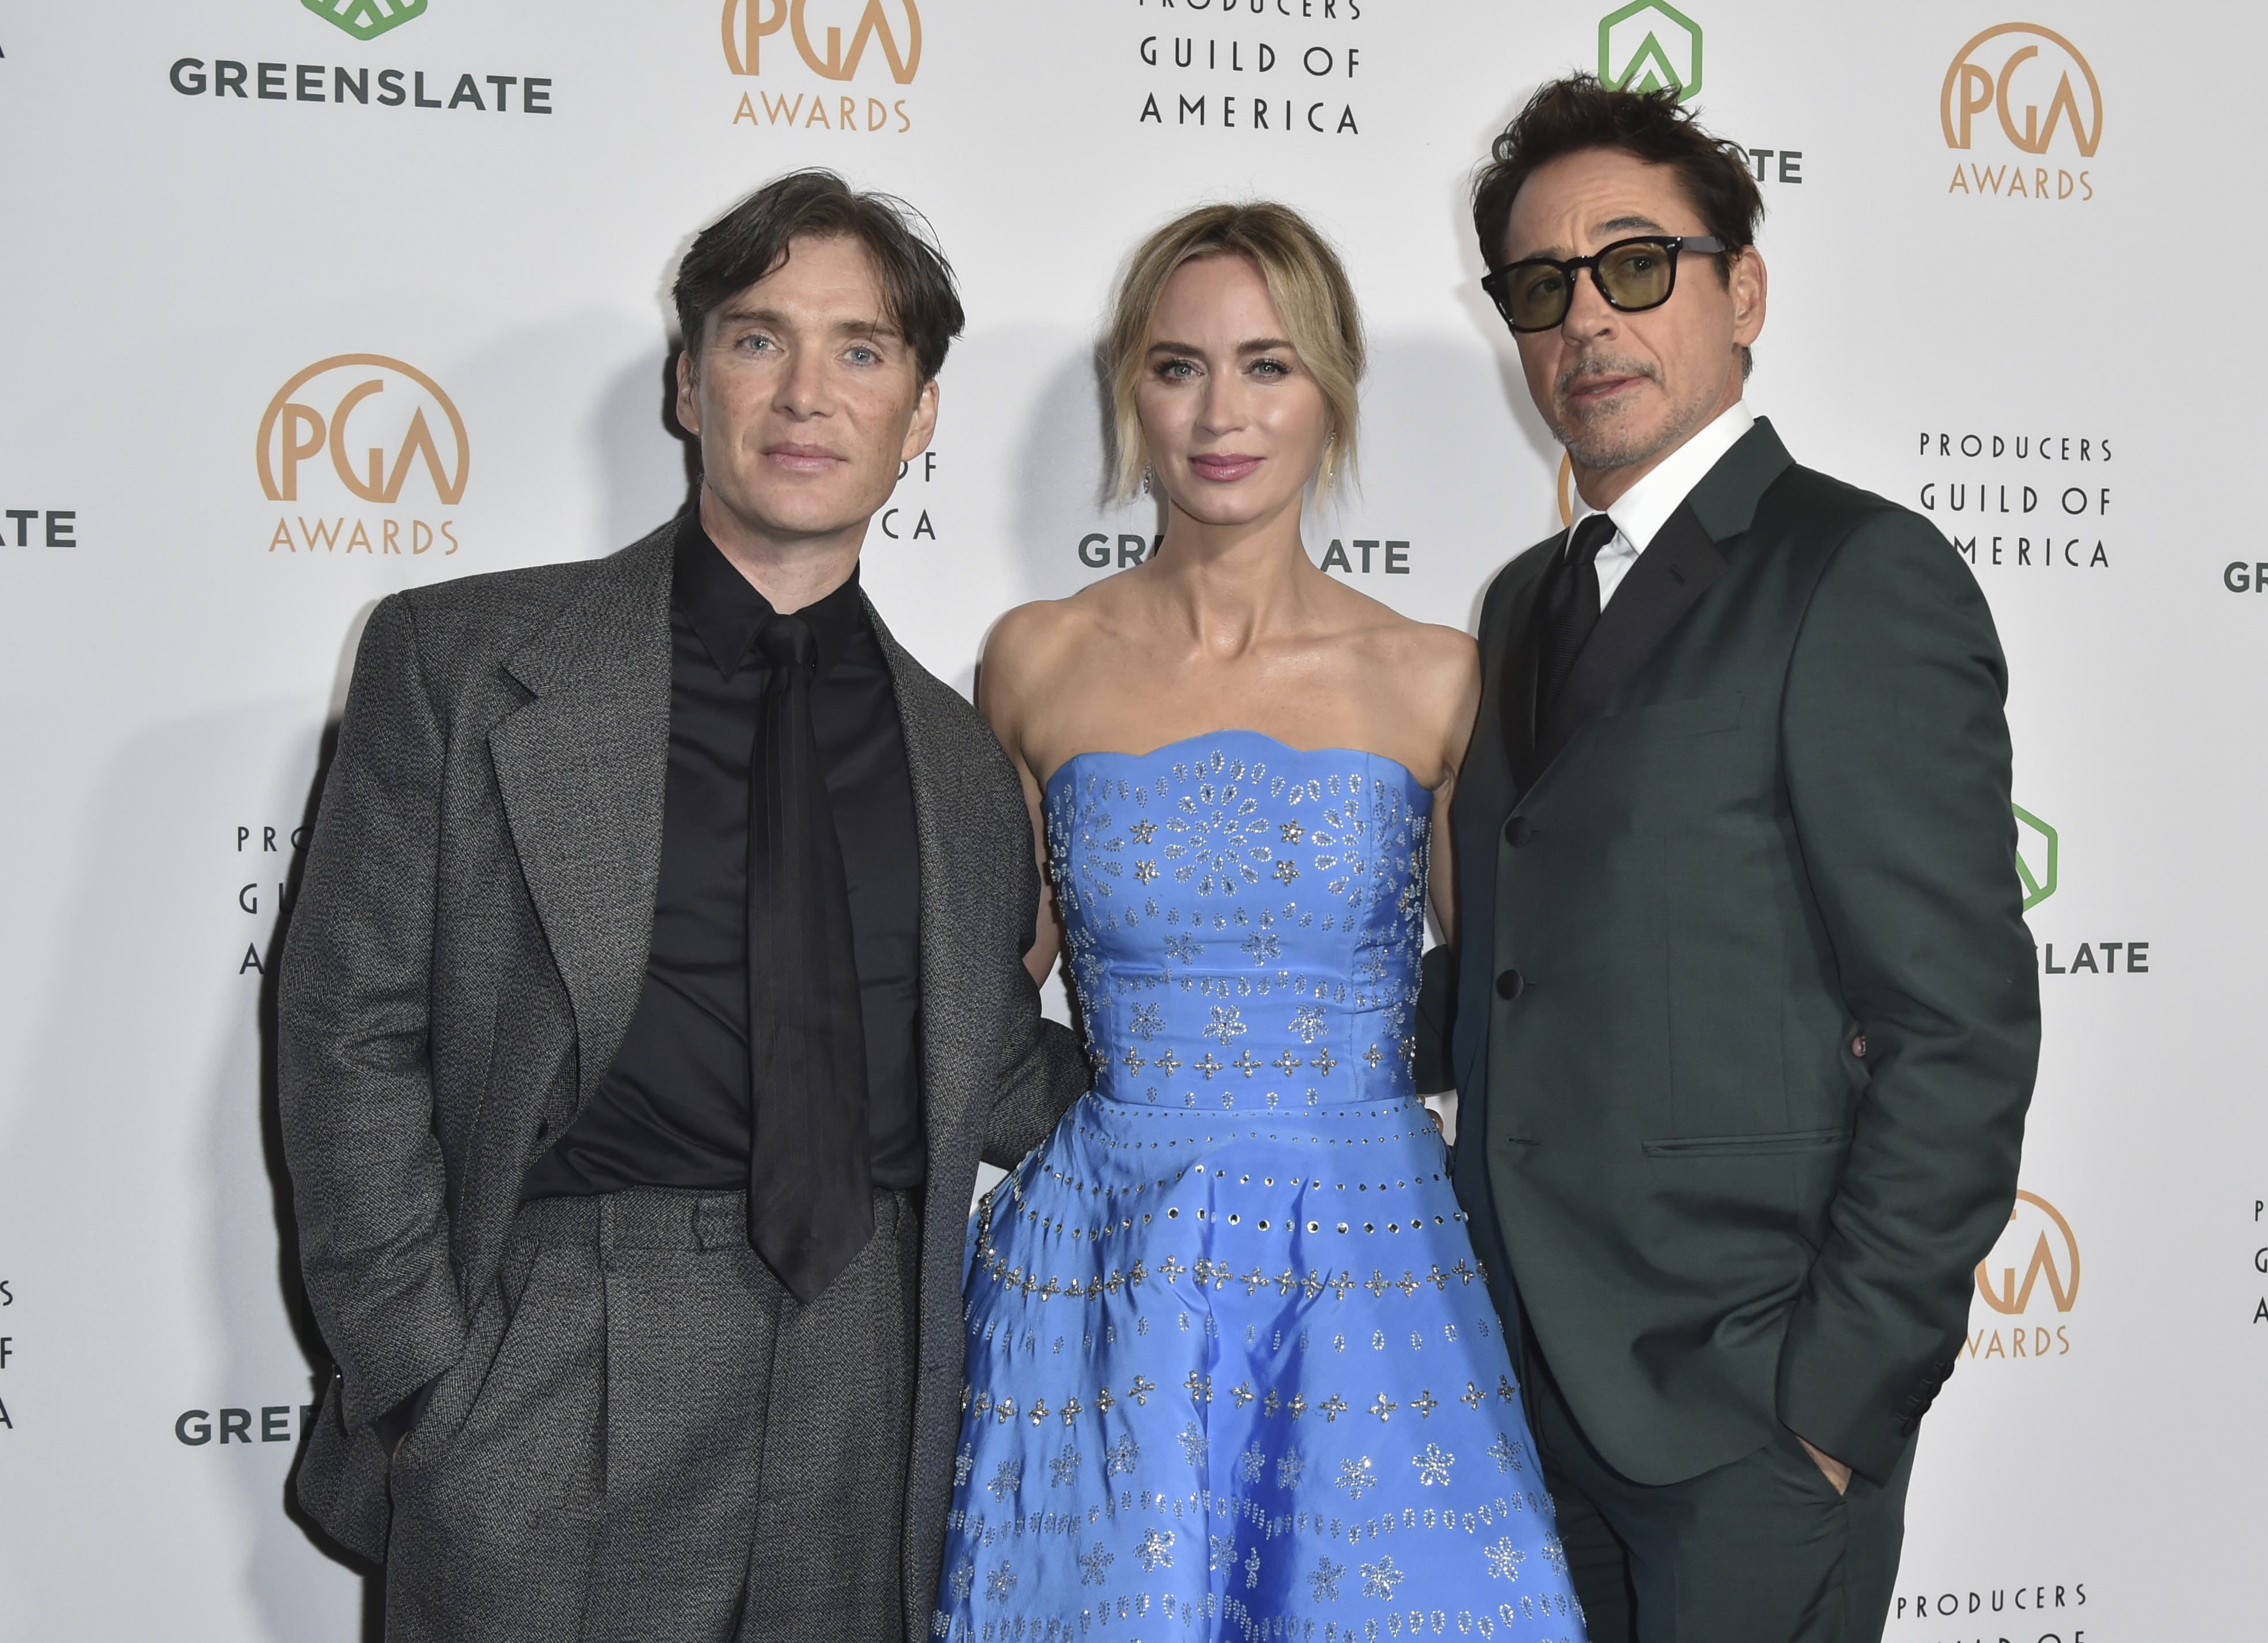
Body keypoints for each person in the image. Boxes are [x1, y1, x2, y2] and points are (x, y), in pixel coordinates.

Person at [276, 170, 1088, 1642]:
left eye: (862, 350)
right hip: (551, 1361)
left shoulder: (965, 766)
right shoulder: (461, 661)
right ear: (686, 383)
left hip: (872, 1376)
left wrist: (1291, 1058)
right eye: (757, 336)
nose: (805, 391)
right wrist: (422, 1379)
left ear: (919, 420)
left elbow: (999, 1072)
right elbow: (347, 1032)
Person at [1436, 77, 2042, 1643]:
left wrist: (1831, 1400)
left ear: (1739, 289)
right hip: (1525, 1382)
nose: (1586, 319)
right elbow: (1522, 970)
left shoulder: (1856, 573)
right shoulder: (1520, 602)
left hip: (1745, 1418)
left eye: (1635, 264)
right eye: (1538, 286)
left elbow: (1954, 1028)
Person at [932, 203, 1586, 1642]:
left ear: (1332, 392)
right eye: (1178, 367)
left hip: (1367, 1247)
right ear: (1132, 393)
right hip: (1109, 1260)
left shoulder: (1434, 676)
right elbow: (992, 977)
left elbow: (1505, 989)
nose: (1221, 413)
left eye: (1267, 365)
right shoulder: (1035, 658)